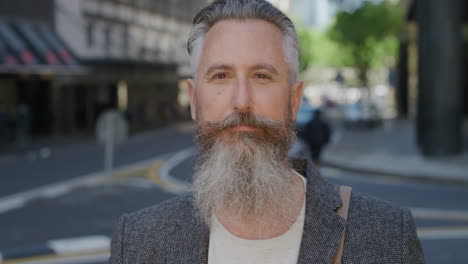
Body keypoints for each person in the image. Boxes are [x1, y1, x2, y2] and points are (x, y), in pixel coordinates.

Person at [108, 1, 424, 263]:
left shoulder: (387, 235)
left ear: (294, 99)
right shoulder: (138, 241)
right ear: (194, 100)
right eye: (221, 76)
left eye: (261, 76)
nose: (242, 102)